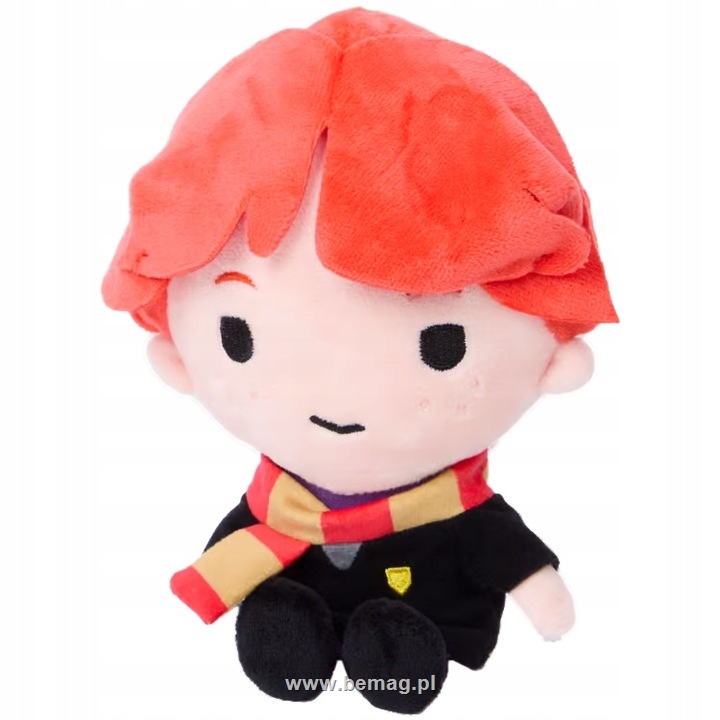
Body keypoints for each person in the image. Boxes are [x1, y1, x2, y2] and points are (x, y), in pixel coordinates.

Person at [102, 8, 617, 713]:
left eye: (441, 344)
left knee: (404, 634)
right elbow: (237, 542)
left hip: (438, 623)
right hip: (297, 601)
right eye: (238, 337)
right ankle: (294, 639)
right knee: (283, 615)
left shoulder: (457, 510)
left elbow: (507, 552)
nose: (337, 396)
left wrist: (542, 594)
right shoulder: (273, 505)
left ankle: (397, 657)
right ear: (177, 347)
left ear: (554, 352)